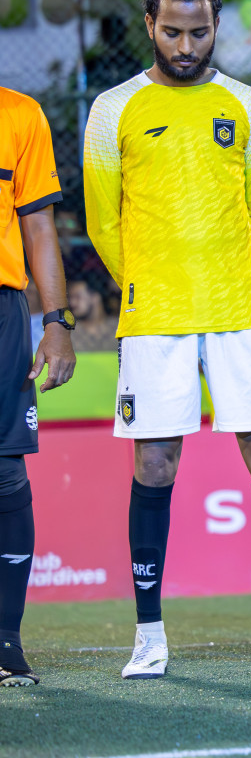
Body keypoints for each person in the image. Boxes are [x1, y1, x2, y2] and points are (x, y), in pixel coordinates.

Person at [83, 0, 251, 678]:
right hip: (154, 314)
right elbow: (103, 221)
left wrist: (212, 268)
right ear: (148, 26)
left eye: (199, 31)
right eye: (171, 31)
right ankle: (150, 637)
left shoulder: (249, 105)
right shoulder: (112, 110)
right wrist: (154, 281)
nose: (186, 45)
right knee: (155, 464)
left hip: (237, 309)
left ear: (217, 25)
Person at [0, 88, 75, 686]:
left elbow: (38, 222)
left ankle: (5, 641)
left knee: (6, 475)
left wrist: (56, 321)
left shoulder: (21, 113)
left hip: (3, 309)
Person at [66, 278, 118, 353]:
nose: (72, 303)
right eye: (70, 298)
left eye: (77, 297)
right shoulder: (69, 333)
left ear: (95, 297)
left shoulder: (118, 327)